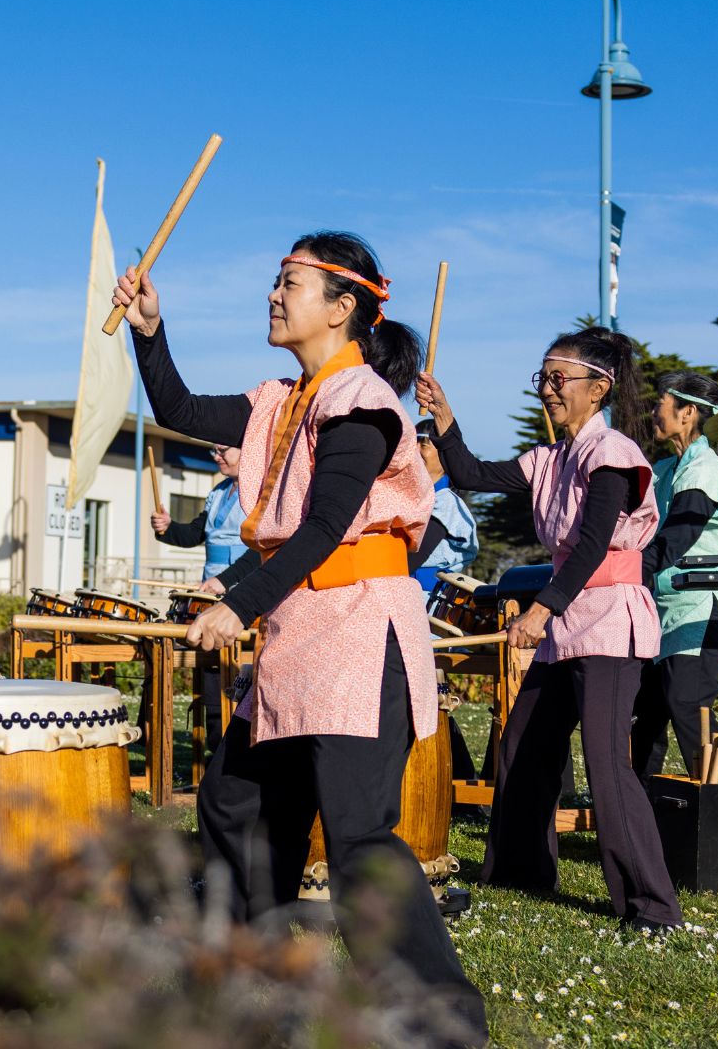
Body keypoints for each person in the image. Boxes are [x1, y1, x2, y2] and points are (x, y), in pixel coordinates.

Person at [121, 230, 486, 1042]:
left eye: (291, 283)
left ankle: (441, 1016)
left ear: (344, 306)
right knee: (233, 799)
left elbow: (325, 526)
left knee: (358, 836)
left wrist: (238, 602)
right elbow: (179, 410)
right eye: (275, 281)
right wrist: (152, 329)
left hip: (360, 629)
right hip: (302, 631)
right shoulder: (278, 403)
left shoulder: (359, 403)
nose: (273, 295)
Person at [416, 326, 684, 933]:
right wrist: (446, 416)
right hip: (568, 621)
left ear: (598, 387)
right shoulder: (548, 458)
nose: (548, 390)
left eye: (558, 379)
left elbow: (592, 545)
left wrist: (540, 610)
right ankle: (520, 872)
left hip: (610, 617)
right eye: (543, 379)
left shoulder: (611, 452)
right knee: (524, 747)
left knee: (607, 764)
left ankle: (652, 907)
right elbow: (469, 472)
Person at [633, 371, 718, 785]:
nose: (652, 412)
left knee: (686, 705)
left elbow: (676, 538)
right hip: (663, 609)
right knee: (645, 713)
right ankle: (639, 816)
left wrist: (625, 574)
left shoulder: (705, 468)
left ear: (687, 413)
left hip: (701, 608)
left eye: (659, 404)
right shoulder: (666, 467)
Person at [150, 444, 245, 587]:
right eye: (214, 451)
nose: (216, 457)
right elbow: (195, 534)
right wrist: (168, 526)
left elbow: (263, 549)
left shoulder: (263, 492)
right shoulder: (217, 491)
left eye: (222, 451)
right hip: (211, 582)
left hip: (243, 583)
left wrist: (225, 579)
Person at [409, 433, 480, 591]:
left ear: (444, 457)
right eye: (411, 442)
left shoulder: (445, 503)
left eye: (424, 444)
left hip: (426, 598)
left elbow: (411, 559)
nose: (414, 449)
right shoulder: (407, 499)